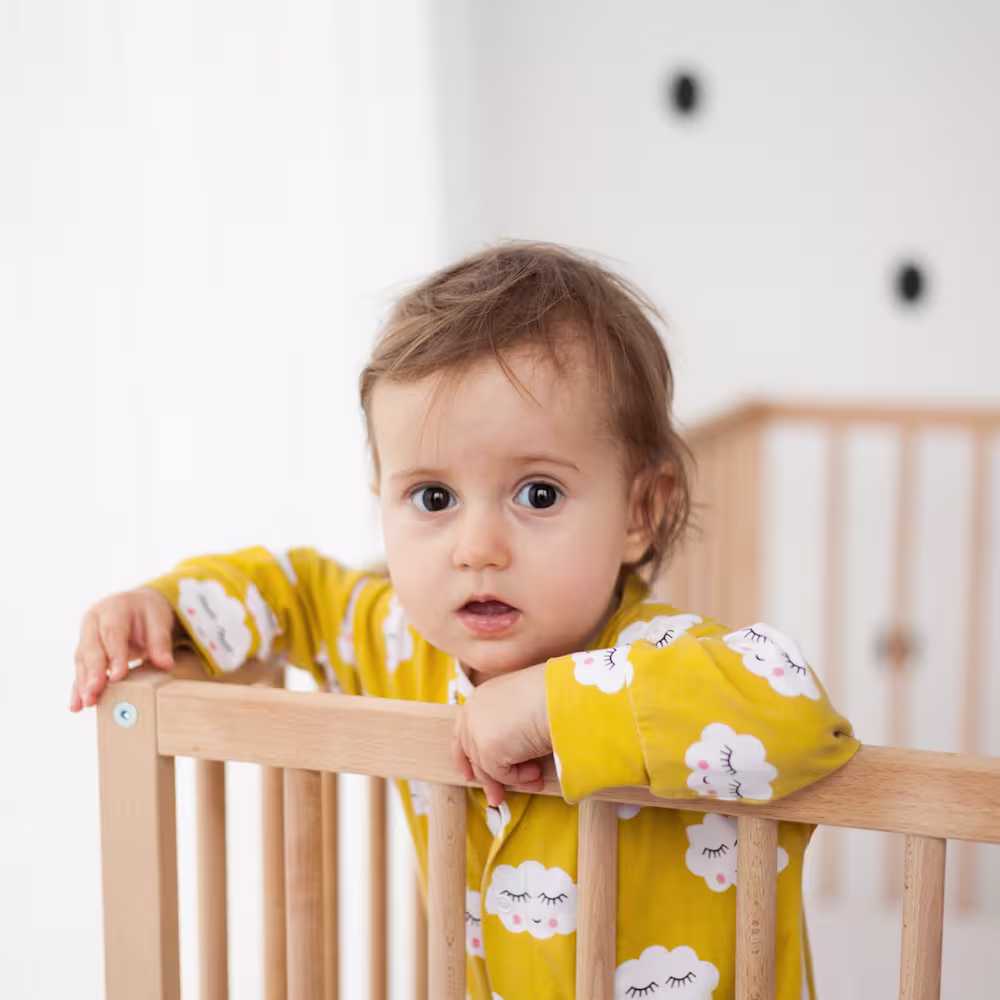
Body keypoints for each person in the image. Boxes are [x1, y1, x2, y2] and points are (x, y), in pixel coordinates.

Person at [72, 242, 858, 999]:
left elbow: (793, 707)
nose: (477, 548)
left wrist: (554, 703)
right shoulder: (399, 643)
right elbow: (300, 590)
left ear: (639, 512)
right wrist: (169, 606)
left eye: (538, 494)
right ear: (381, 493)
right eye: (433, 498)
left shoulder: (660, 657)